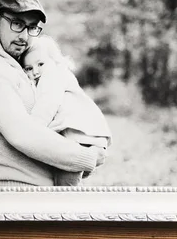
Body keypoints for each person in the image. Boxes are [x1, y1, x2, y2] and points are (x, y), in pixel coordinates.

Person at [0, 0, 106, 187]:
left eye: (31, 28)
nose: (24, 36)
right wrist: (87, 157)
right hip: (15, 190)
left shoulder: (17, 67)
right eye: (17, 24)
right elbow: (22, 134)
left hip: (37, 191)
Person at [21, 36, 112, 186]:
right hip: (84, 137)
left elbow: (46, 106)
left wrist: (32, 130)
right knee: (65, 180)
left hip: (77, 138)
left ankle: (68, 208)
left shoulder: (52, 74)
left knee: (64, 186)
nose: (35, 71)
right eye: (29, 68)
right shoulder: (60, 73)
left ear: (54, 59)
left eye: (40, 64)